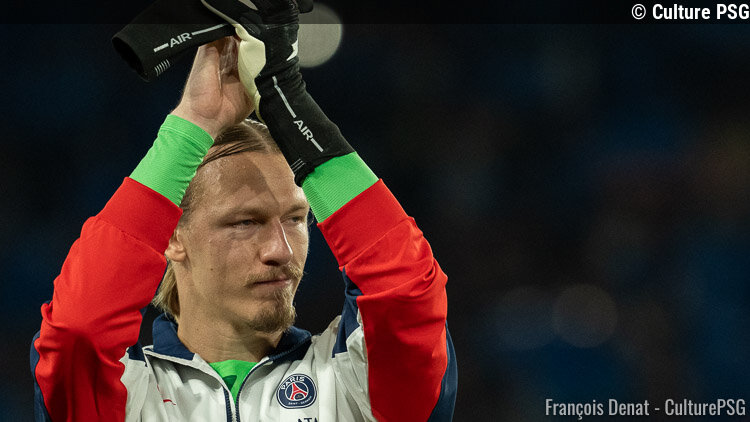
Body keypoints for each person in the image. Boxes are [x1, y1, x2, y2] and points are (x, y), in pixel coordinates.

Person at [30, 2, 456, 421]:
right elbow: (79, 330)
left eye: (295, 219)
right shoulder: (128, 399)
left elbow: (407, 295)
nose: (281, 251)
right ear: (173, 236)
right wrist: (192, 125)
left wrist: (285, 97)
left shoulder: (352, 380)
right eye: (246, 222)